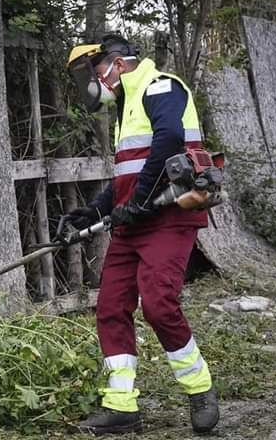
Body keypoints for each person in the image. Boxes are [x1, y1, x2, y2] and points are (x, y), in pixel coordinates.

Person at [65, 34, 219, 435]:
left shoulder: (161, 86)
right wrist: (96, 210)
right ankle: (121, 405)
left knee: (158, 304)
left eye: (97, 71)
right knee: (111, 306)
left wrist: (141, 200)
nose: (97, 83)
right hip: (134, 222)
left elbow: (168, 140)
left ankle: (200, 390)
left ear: (117, 64)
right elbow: (128, 174)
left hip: (169, 217)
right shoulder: (126, 108)